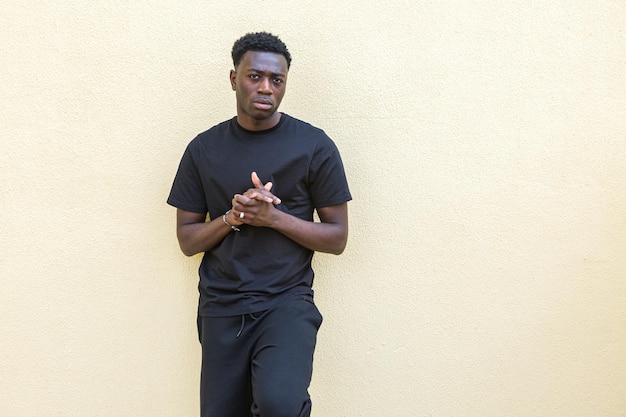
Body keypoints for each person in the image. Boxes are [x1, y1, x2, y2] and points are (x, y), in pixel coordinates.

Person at [167, 32, 352, 417]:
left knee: (280, 405)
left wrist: (272, 218)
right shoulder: (203, 149)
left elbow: (336, 238)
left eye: (277, 79)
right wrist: (233, 218)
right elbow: (187, 239)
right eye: (255, 76)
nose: (266, 87)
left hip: (286, 303)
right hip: (221, 305)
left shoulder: (314, 146)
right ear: (234, 78)